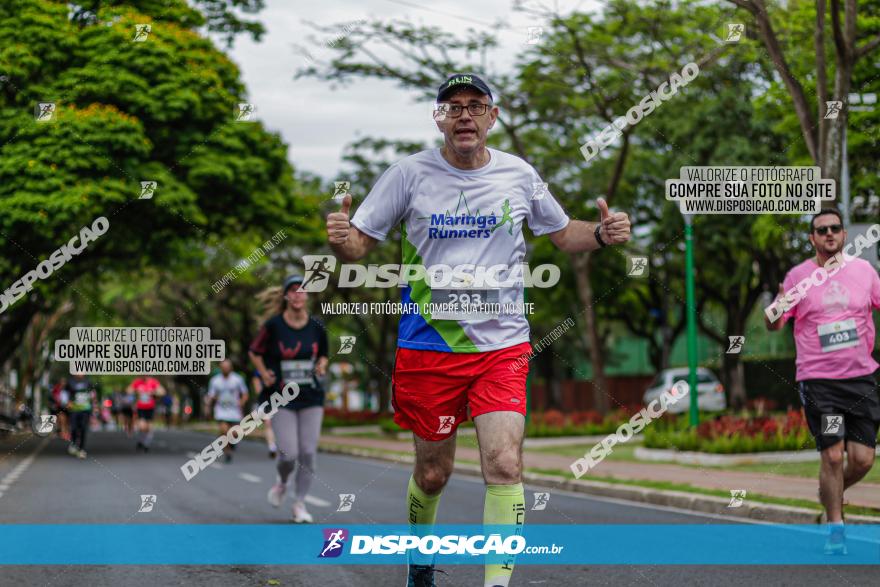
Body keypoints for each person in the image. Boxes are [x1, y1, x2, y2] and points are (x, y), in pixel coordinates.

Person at [326, 73, 631, 587]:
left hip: (503, 346)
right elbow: (359, 247)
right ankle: (419, 563)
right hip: (429, 346)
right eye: (452, 107)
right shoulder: (408, 175)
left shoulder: (519, 175)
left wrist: (600, 233)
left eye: (475, 105)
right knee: (432, 473)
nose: (464, 115)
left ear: (493, 116)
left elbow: (561, 234)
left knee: (505, 464)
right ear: (438, 118)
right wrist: (340, 240)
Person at [765, 209, 880, 555]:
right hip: (821, 384)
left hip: (861, 380)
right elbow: (774, 322)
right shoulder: (798, 276)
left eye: (835, 228)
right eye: (821, 230)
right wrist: (774, 309)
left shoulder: (864, 271)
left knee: (861, 460)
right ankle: (835, 530)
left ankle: (830, 490)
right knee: (832, 456)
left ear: (843, 235)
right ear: (813, 238)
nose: (829, 234)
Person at [249, 275, 329, 523]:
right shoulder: (273, 326)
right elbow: (254, 352)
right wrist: (264, 373)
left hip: (311, 396)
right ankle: (282, 482)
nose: (297, 294)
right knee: (289, 454)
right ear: (285, 296)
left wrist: (322, 366)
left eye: (302, 290)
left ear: (307, 296)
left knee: (308, 453)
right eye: (293, 291)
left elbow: (324, 355)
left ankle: (299, 503)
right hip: (281, 397)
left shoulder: (316, 326)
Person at [206, 359, 249, 463]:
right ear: (220, 368)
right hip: (221, 410)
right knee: (224, 431)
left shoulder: (237, 379)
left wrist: (242, 402)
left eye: (227, 367)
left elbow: (245, 393)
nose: (225, 369)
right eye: (223, 367)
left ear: (231, 368)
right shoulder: (215, 381)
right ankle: (228, 452)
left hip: (234, 410)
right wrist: (207, 407)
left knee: (234, 433)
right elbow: (211, 396)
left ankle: (232, 443)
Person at [128, 376, 166, 452]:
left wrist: (154, 392)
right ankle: (141, 441)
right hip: (141, 407)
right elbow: (129, 390)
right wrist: (136, 391)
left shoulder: (153, 382)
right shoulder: (137, 382)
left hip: (150, 408)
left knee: (149, 427)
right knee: (142, 426)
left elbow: (162, 392)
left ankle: (145, 444)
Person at [64, 373, 97, 459]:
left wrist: (94, 406)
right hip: (74, 410)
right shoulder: (70, 382)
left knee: (83, 428)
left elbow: (93, 394)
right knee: (74, 428)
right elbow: (65, 393)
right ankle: (74, 444)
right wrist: (67, 403)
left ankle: (82, 449)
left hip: (85, 409)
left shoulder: (88, 382)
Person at [252, 370, 278, 458]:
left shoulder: (277, 366)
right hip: (265, 401)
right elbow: (258, 390)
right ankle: (272, 447)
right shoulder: (257, 372)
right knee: (268, 424)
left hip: (280, 399)